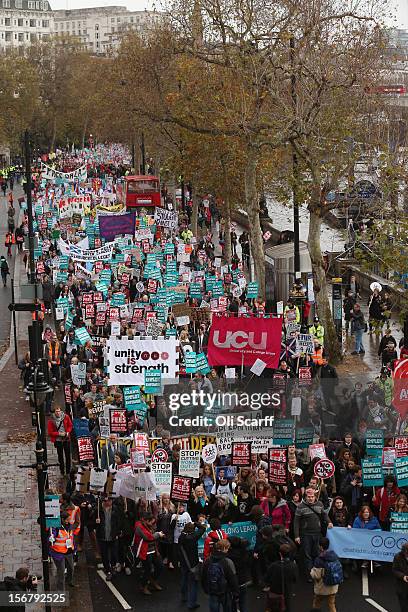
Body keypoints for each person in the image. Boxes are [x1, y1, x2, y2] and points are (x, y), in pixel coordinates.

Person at [294, 488, 332, 581]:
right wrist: (296, 535)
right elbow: (296, 521)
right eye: (308, 497)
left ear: (315, 497)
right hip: (305, 534)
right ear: (306, 497)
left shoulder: (320, 504)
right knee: (307, 555)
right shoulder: (300, 506)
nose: (310, 498)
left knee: (317, 553)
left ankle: (317, 573)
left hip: (317, 533)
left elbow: (324, 515)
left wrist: (329, 522)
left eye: (312, 497)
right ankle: (310, 575)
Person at [202, 538, 239, 612]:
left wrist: (205, 588)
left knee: (213, 607)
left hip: (212, 590)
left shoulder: (208, 560)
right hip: (225, 591)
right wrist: (235, 592)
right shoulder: (227, 561)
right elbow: (232, 578)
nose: (228, 550)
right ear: (224, 548)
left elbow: (203, 576)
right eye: (227, 548)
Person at [133, 511, 165, 595]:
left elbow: (153, 533)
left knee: (160, 566)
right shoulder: (139, 526)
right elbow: (148, 537)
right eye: (151, 522)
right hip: (145, 552)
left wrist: (155, 530)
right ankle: (143, 586)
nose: (153, 523)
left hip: (154, 550)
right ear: (145, 520)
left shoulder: (149, 525)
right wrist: (158, 534)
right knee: (147, 570)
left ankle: (152, 581)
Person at [179, 521, 206, 610]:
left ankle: (184, 596)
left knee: (184, 578)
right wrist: (196, 523)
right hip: (193, 563)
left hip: (184, 562)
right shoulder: (193, 537)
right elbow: (203, 528)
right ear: (193, 530)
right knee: (193, 583)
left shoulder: (181, 536)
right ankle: (192, 603)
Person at [310, 537, 343, 612]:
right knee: (331, 604)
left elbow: (316, 575)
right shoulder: (335, 556)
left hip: (322, 587)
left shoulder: (319, 560)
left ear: (320, 547)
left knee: (316, 604)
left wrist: (311, 572)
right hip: (333, 587)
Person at [265, 543, 298, 612]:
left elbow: (267, 579)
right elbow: (295, 579)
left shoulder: (273, 566)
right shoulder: (293, 566)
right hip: (287, 591)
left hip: (275, 592)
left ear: (280, 553)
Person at [48, 510, 76, 591]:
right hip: (58, 553)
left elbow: (71, 537)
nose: (69, 521)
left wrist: (74, 549)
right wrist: (51, 538)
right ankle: (61, 591)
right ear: (62, 520)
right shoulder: (55, 528)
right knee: (61, 572)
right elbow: (51, 536)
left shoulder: (69, 526)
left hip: (69, 551)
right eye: (67, 519)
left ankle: (69, 581)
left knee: (71, 568)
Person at [95, 497, 121, 580]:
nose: (108, 502)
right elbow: (91, 520)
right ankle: (108, 570)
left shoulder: (116, 509)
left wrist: (118, 532)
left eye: (109, 500)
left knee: (114, 553)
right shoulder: (98, 509)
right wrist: (96, 522)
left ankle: (113, 567)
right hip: (102, 536)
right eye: (106, 500)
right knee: (104, 554)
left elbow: (119, 522)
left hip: (113, 536)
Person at [47, 406, 72, 475]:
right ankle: (62, 470)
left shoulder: (66, 417)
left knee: (68, 456)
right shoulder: (51, 420)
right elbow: (50, 432)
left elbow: (70, 425)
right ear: (54, 412)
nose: (58, 413)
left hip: (66, 439)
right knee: (60, 456)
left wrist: (67, 432)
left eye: (59, 411)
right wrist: (59, 434)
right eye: (56, 411)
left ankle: (68, 471)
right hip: (58, 440)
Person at [392, 541, 408, 611]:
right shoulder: (397, 557)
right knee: (404, 608)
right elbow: (395, 570)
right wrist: (403, 576)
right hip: (402, 587)